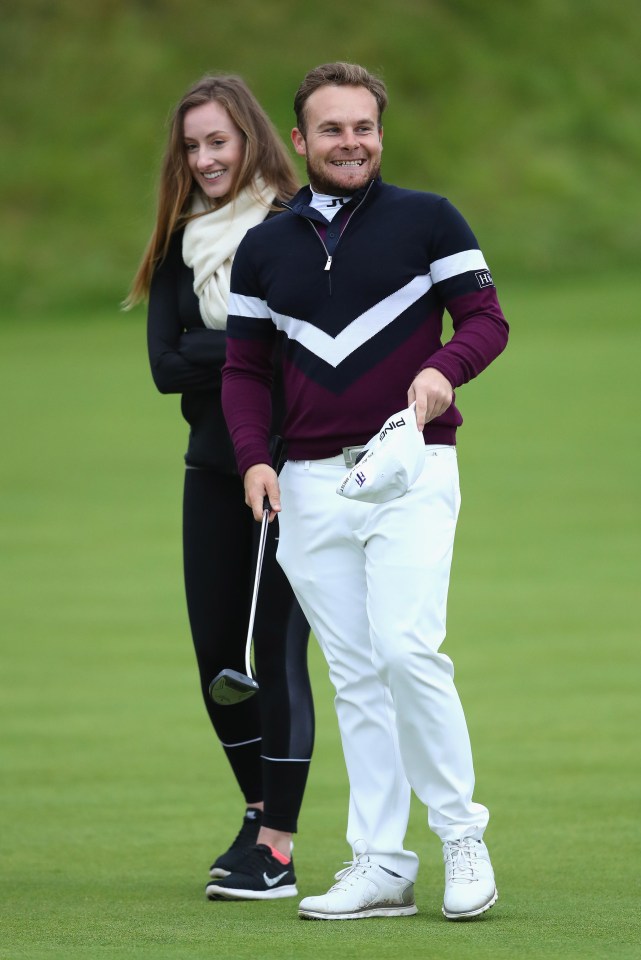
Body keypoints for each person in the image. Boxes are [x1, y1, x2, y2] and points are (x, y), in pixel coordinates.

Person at [221, 62, 509, 921]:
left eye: (364, 128)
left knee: (407, 649)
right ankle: (381, 861)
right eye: (333, 130)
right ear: (300, 141)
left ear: (379, 133)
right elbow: (242, 368)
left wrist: (441, 369)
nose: (352, 143)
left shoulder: (428, 219)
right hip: (308, 483)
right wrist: (251, 458)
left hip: (409, 468)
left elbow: (486, 320)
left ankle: (460, 833)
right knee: (352, 674)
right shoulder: (264, 245)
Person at [126, 74, 314, 901]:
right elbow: (167, 366)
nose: (204, 158)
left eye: (219, 141)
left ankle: (277, 847)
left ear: (250, 140)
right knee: (215, 658)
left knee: (271, 653)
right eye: (192, 145)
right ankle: (255, 810)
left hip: (291, 467)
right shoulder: (180, 241)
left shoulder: (294, 225)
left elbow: (304, 352)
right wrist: (248, 347)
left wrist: (238, 352)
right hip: (211, 467)